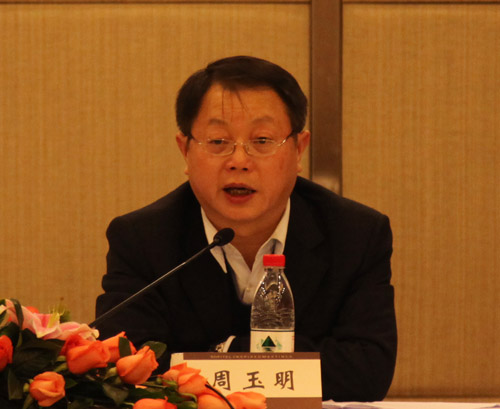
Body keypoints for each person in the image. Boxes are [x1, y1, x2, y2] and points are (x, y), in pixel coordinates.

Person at [95, 56, 397, 402]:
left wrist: (225, 352)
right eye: (218, 141)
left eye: (262, 140)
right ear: (185, 150)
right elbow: (124, 368)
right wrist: (285, 361)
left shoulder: (356, 235)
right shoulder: (141, 239)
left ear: (299, 150)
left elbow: (367, 371)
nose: (239, 161)